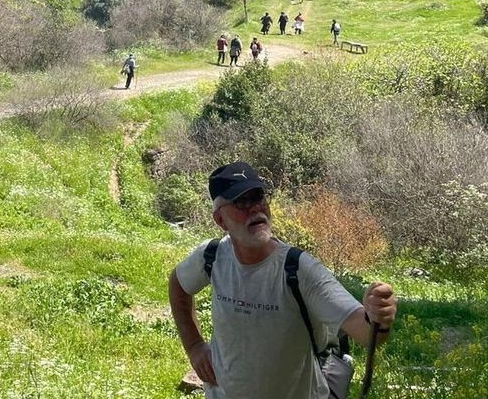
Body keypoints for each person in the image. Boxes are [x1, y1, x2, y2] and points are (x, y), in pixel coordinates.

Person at [168, 161, 398, 399]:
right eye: (241, 201)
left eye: (258, 197)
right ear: (220, 220)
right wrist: (194, 347)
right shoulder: (212, 257)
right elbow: (177, 284)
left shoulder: (298, 270)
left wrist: (377, 316)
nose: (255, 208)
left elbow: (368, 333)